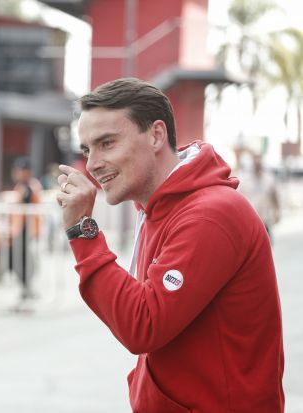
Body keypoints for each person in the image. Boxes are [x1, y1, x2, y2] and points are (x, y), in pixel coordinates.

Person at [56, 78, 284, 412]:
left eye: (107, 143)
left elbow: (142, 325)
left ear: (156, 135)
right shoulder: (158, 208)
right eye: (87, 150)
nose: (92, 164)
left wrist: (82, 231)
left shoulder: (210, 215)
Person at [9, 156, 42, 301]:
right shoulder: (22, 185)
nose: (17, 173)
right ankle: (25, 287)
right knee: (20, 259)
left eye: (20, 170)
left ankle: (27, 288)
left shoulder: (29, 186)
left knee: (26, 260)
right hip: (20, 229)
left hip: (28, 230)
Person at [237, 150, 281, 242]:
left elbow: (275, 197)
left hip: (265, 222)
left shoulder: (269, 179)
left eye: (259, 158)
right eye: (255, 158)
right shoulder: (244, 181)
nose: (257, 161)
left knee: (267, 247)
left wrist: (277, 213)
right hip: (249, 223)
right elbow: (238, 201)